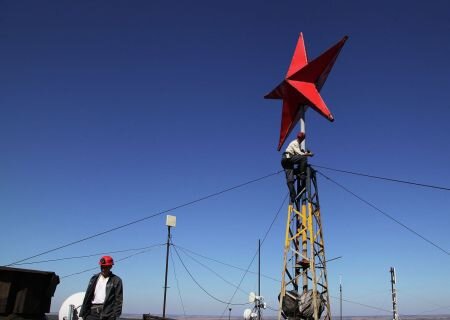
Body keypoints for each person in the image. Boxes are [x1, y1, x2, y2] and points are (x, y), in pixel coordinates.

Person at [80, 256, 123, 320]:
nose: (103, 269)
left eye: (105, 267)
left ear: (110, 266)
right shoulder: (94, 278)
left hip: (107, 314)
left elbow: (118, 300)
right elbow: (87, 296)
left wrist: (115, 316)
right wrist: (84, 313)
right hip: (92, 313)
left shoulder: (116, 280)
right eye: (102, 266)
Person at [281, 132, 314, 203]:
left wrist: (303, 152)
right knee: (303, 158)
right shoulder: (295, 143)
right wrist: (309, 154)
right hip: (288, 158)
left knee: (290, 180)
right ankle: (301, 174)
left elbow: (298, 153)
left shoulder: (295, 143)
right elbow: (301, 154)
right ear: (302, 138)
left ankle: (293, 196)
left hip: (285, 162)